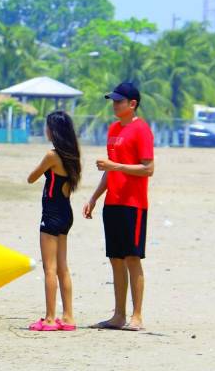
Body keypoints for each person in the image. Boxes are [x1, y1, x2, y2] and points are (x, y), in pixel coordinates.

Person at [83, 82, 155, 331]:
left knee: (132, 258)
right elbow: (110, 169)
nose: (114, 105)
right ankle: (118, 315)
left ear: (132, 104)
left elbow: (148, 168)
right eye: (113, 101)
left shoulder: (141, 129)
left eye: (119, 101)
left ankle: (137, 316)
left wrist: (116, 167)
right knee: (115, 259)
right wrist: (94, 198)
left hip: (133, 205)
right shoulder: (113, 128)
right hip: (112, 202)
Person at [26, 111, 82, 331]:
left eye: (47, 127)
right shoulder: (72, 155)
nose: (45, 130)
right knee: (62, 268)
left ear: (54, 131)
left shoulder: (52, 155)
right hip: (66, 213)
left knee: (49, 268)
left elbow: (32, 178)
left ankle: (49, 318)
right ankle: (68, 317)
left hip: (51, 214)